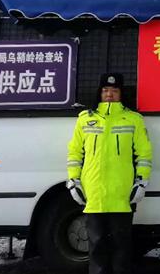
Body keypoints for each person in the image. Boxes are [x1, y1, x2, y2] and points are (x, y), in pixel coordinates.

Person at [66, 73, 153, 274]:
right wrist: (73, 181)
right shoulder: (85, 119)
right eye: (105, 90)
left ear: (121, 94)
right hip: (93, 193)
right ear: (99, 93)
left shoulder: (133, 119)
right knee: (96, 245)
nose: (109, 94)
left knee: (121, 246)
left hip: (122, 194)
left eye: (114, 91)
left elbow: (144, 154)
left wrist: (141, 182)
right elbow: (74, 152)